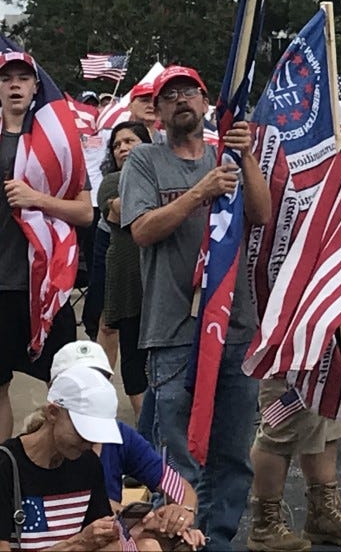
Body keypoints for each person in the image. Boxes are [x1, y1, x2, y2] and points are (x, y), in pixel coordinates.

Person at [120, 65, 269, 550]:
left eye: (191, 92)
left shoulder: (227, 156)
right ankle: (179, 543)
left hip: (234, 326)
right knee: (179, 457)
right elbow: (141, 230)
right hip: (174, 331)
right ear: (158, 112)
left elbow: (261, 214)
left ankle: (219, 541)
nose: (181, 99)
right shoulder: (144, 160)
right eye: (170, 95)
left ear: (206, 105)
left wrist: (244, 156)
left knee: (231, 455)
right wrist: (200, 193)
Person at [1, 52, 93, 441]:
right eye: (7, 79)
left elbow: (86, 212)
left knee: (65, 385)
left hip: (47, 288)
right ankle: (5, 477)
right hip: (1, 286)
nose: (16, 85)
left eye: (24, 78)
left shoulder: (60, 146)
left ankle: (64, 469)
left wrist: (36, 199)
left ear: (36, 87)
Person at [40, 341, 203, 547]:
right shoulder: (51, 444)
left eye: (99, 381)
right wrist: (143, 519)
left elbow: (178, 486)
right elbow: (80, 507)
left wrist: (181, 513)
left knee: (179, 539)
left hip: (109, 538)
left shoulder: (119, 436)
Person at [0, 366, 142, 552]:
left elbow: (105, 542)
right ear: (53, 413)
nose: (89, 442)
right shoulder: (6, 466)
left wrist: (149, 528)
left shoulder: (87, 463)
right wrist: (78, 543)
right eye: (83, 431)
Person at [96, 121, 151, 419]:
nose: (123, 148)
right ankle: (148, 437)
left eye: (130, 141)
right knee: (133, 358)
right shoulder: (111, 181)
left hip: (163, 283)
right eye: (117, 145)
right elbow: (120, 211)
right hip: (129, 283)